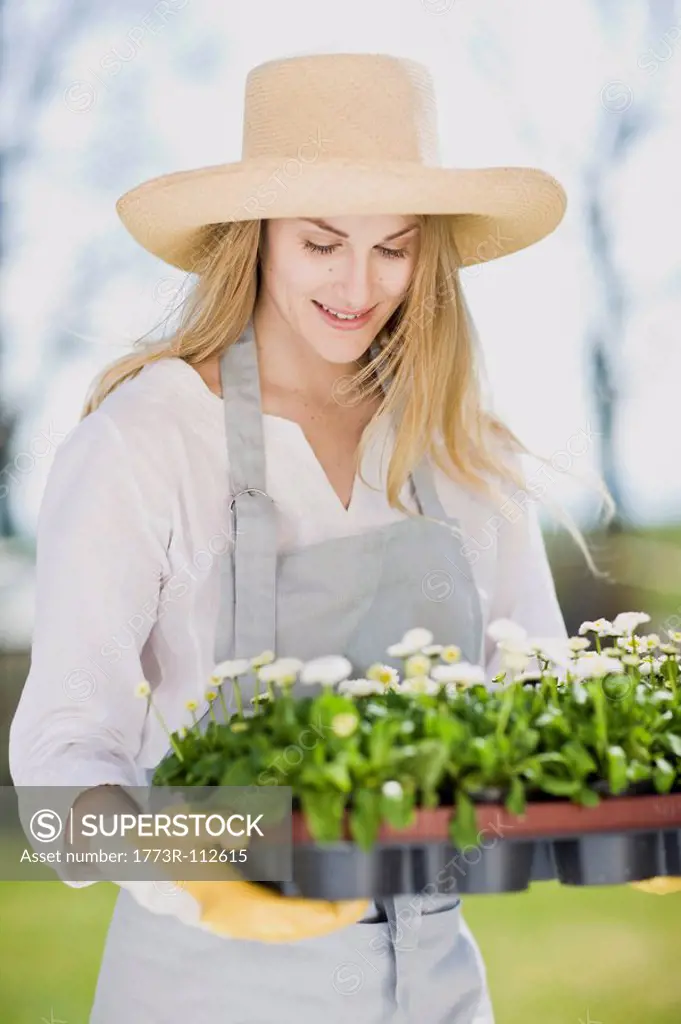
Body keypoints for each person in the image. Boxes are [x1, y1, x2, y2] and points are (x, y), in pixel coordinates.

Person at [9, 52, 613, 1024]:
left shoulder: (462, 450)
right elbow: (57, 765)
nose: (359, 284)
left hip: (437, 990)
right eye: (322, 242)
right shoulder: (143, 440)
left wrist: (621, 802)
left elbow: (534, 709)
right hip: (201, 990)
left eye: (395, 247)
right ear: (255, 240)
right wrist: (191, 866)